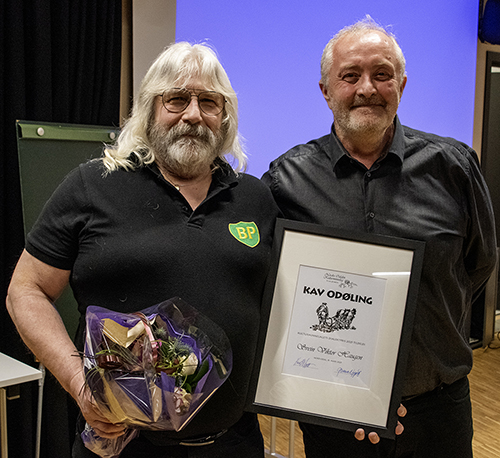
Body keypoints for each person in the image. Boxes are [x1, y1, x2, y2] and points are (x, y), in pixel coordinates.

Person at [6, 42, 281, 458]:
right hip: (121, 446)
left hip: (235, 444)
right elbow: (25, 291)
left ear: (224, 116)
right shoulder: (92, 185)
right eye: (177, 99)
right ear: (149, 109)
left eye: (209, 102)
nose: (193, 114)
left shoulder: (255, 198)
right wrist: (79, 384)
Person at [262, 16, 497, 458]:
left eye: (382, 74)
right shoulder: (285, 180)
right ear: (326, 90)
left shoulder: (454, 167)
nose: (367, 88)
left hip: (439, 411)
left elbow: (477, 265)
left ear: (401, 85)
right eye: (350, 76)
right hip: (334, 414)